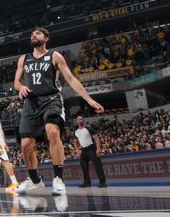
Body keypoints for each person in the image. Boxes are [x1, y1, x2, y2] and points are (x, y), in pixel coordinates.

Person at [13, 27, 104, 195]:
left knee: (52, 132)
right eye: (32, 33)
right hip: (30, 104)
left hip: (51, 100)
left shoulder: (54, 56)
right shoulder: (23, 59)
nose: (34, 35)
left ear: (47, 38)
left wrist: (90, 100)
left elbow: (70, 79)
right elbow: (16, 83)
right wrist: (21, 87)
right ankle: (35, 181)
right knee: (26, 145)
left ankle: (58, 178)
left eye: (38, 33)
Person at [74, 115, 107, 188]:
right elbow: (75, 141)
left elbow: (97, 139)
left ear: (83, 120)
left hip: (91, 148)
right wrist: (77, 150)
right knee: (84, 167)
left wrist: (98, 149)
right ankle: (87, 183)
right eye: (78, 119)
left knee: (97, 165)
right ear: (76, 121)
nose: (80, 121)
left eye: (81, 119)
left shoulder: (88, 128)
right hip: (83, 150)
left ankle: (102, 182)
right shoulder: (76, 131)